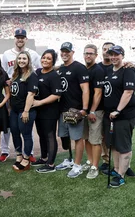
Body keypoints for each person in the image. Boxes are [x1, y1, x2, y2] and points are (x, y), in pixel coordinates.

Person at [0, 28, 41, 163]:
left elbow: (40, 70)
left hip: (26, 103)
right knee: (12, 129)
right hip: (12, 98)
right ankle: (7, 151)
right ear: (14, 38)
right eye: (18, 37)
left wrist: (26, 110)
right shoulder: (7, 54)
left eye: (22, 37)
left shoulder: (33, 55)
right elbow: (4, 74)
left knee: (26, 131)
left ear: (26, 39)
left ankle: (28, 154)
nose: (20, 39)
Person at [103, 45, 135, 187]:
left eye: (116, 54)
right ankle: (117, 170)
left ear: (122, 55)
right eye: (111, 54)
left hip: (124, 115)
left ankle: (121, 176)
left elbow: (128, 92)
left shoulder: (128, 70)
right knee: (115, 145)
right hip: (111, 115)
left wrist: (118, 110)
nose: (113, 57)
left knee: (123, 146)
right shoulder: (108, 70)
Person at [56, 42, 89, 178]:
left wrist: (84, 109)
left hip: (75, 109)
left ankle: (77, 165)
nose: (64, 53)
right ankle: (70, 160)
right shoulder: (61, 68)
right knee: (65, 136)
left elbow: (85, 89)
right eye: (62, 51)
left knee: (77, 138)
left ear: (72, 52)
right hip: (62, 109)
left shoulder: (79, 68)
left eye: (67, 51)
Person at [31, 49, 61, 173]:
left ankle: (50, 164)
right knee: (41, 134)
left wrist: (40, 102)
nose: (45, 60)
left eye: (49, 58)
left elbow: (56, 95)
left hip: (50, 111)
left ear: (53, 61)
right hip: (39, 110)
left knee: (50, 136)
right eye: (44, 57)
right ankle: (44, 158)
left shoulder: (54, 75)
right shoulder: (38, 72)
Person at [10, 51, 39, 172]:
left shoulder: (31, 75)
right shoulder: (16, 74)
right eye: (20, 58)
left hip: (25, 110)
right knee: (15, 133)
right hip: (14, 110)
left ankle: (26, 159)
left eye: (24, 59)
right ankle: (19, 155)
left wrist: (26, 111)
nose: (21, 60)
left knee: (26, 135)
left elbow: (31, 94)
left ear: (28, 61)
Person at [81, 44, 104, 179]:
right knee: (87, 139)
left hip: (95, 110)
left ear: (96, 55)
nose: (88, 55)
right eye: (86, 53)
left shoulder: (98, 70)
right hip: (85, 110)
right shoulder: (83, 69)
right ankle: (90, 162)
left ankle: (95, 166)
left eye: (91, 53)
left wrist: (93, 111)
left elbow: (98, 93)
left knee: (95, 140)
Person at [97, 42, 115, 172]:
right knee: (103, 136)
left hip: (114, 108)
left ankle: (119, 160)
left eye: (109, 49)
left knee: (115, 135)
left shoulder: (118, 67)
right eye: (104, 49)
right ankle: (106, 160)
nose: (106, 51)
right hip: (99, 107)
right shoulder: (97, 67)